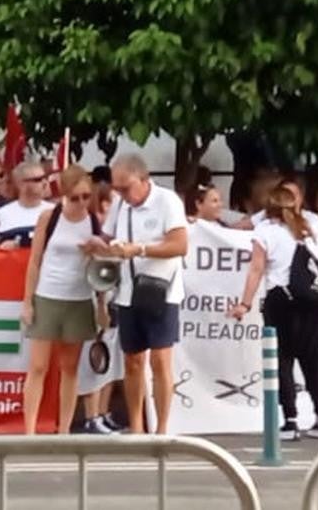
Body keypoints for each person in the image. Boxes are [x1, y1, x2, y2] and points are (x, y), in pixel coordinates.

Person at [228, 185, 318, 440]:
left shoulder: (265, 232)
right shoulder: (306, 230)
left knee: (282, 360)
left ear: (269, 209)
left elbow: (257, 269)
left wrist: (245, 303)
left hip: (281, 299)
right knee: (313, 360)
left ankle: (291, 421)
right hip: (312, 301)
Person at [102, 154, 189, 434]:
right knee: (132, 360)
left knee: (160, 360)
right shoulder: (120, 205)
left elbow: (179, 245)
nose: (122, 195)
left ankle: (162, 428)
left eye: (126, 188)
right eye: (117, 189)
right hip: (128, 291)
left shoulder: (167, 201)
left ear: (144, 179)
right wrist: (102, 246)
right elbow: (107, 238)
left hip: (160, 291)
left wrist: (139, 249)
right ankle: (137, 426)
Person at [21, 166, 108, 434]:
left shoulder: (93, 220)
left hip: (79, 298)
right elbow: (35, 261)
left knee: (69, 368)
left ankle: (64, 430)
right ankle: (30, 432)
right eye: (75, 197)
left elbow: (100, 270)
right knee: (38, 366)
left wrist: (102, 306)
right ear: (63, 195)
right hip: (48, 294)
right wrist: (28, 301)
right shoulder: (50, 217)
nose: (81, 203)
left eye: (85, 196)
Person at [0, 161, 55, 248]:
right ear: (21, 184)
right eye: (38, 180)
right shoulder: (3, 213)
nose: (45, 183)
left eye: (45, 178)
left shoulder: (56, 212)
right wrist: (1, 248)